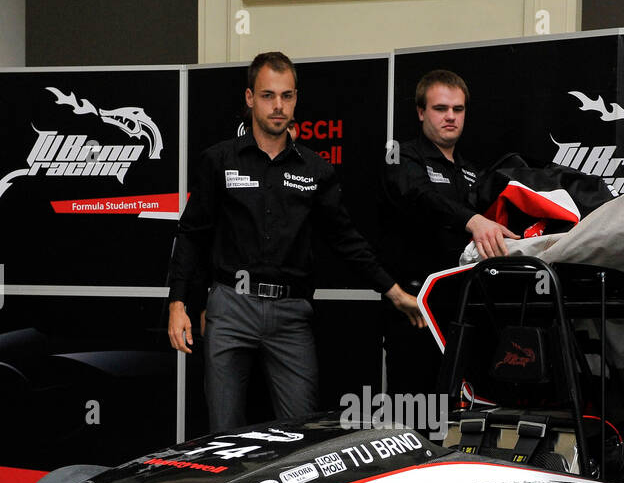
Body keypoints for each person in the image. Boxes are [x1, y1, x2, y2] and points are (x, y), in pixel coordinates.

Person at [167, 51, 422, 430]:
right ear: (250, 98)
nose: (278, 106)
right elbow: (192, 235)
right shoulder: (219, 160)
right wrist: (178, 303)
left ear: (296, 100)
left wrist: (394, 292)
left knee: (301, 433)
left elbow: (345, 239)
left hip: (291, 314)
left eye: (286, 96)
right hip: (230, 308)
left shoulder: (315, 169)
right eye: (268, 95)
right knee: (223, 433)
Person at [377, 69, 516, 398]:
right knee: (413, 420)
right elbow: (420, 196)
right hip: (415, 309)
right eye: (440, 108)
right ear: (421, 112)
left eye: (458, 109)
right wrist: (473, 220)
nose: (450, 116)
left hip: (465, 312)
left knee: (464, 416)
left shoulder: (473, 172)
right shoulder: (400, 156)